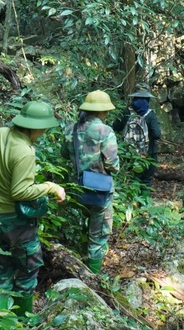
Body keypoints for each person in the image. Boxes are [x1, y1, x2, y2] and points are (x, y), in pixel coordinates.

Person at [0, 101, 66, 315]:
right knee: (27, 273)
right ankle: (22, 321)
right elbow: (20, 192)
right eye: (43, 127)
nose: (44, 132)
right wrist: (50, 187)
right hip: (15, 223)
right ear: (33, 126)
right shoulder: (25, 152)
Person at [60, 90, 119, 274]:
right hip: (99, 190)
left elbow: (63, 154)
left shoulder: (71, 128)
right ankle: (94, 279)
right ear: (101, 112)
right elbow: (112, 164)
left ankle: (78, 262)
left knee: (81, 228)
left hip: (76, 188)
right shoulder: (105, 131)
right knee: (98, 234)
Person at [113, 83, 161, 196]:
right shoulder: (150, 114)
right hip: (149, 153)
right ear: (148, 98)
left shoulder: (126, 112)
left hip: (130, 153)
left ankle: (132, 204)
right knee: (146, 180)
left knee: (133, 179)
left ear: (134, 97)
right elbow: (157, 134)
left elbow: (116, 127)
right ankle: (143, 206)